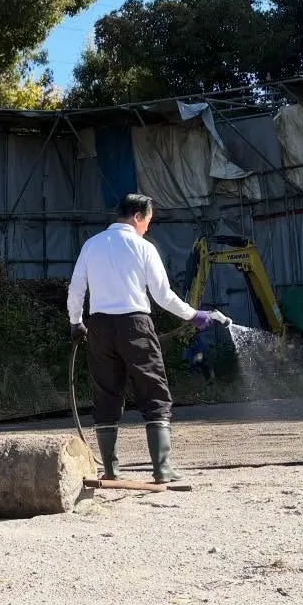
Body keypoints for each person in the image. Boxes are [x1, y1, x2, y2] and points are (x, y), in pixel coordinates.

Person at [67, 192, 228, 484]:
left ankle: (111, 471)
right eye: (148, 221)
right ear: (138, 217)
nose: (148, 228)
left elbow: (76, 288)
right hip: (135, 324)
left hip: (99, 327)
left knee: (106, 393)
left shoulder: (91, 245)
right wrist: (194, 315)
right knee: (153, 391)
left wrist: (76, 322)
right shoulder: (143, 247)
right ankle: (162, 469)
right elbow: (163, 296)